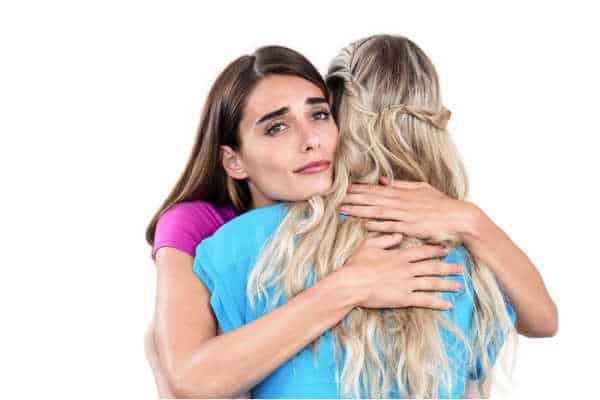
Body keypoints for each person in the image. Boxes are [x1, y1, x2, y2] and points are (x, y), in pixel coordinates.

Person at [144, 41, 557, 398]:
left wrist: (469, 220)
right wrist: (351, 284)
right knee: (155, 342)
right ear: (233, 161)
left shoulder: (408, 223)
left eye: (320, 115)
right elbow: (188, 381)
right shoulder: (199, 228)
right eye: (277, 128)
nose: (311, 140)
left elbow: (544, 320)